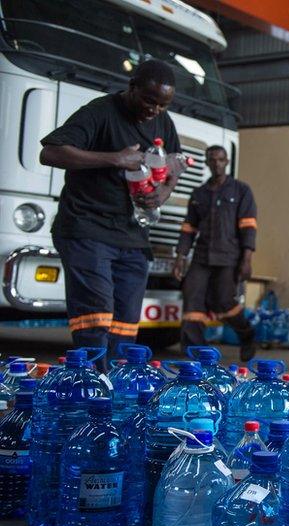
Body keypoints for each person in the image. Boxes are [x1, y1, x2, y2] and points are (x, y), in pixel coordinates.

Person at [39, 59, 182, 367]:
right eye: (149, 100)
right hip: (86, 228)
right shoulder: (100, 112)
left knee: (126, 323)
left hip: (132, 235)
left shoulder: (162, 120)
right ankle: (92, 386)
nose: (154, 110)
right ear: (131, 88)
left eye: (162, 105)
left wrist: (165, 191)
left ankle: (116, 388)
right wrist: (116, 158)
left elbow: (173, 162)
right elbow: (50, 152)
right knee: (96, 315)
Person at [173, 145, 257, 361]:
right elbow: (189, 227)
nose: (216, 164)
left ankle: (247, 335)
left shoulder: (241, 190)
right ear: (207, 163)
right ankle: (197, 354)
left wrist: (246, 259)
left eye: (220, 160)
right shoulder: (199, 193)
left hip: (229, 257)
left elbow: (248, 226)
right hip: (201, 257)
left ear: (227, 162)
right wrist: (181, 257)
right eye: (212, 160)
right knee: (192, 300)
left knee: (224, 301)